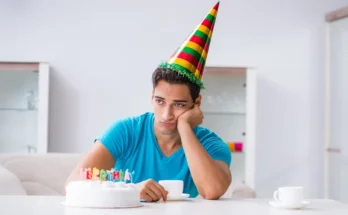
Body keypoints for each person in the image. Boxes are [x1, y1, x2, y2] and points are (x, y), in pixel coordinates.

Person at [65, 1, 232, 202]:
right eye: (160, 101)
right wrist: (131, 189)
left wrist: (185, 127)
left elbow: (212, 190)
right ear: (152, 96)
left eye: (178, 104)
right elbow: (73, 185)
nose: (166, 114)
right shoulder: (125, 131)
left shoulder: (211, 144)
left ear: (196, 103)